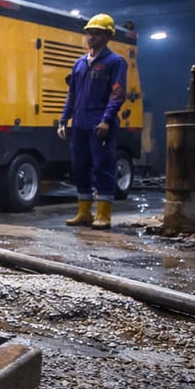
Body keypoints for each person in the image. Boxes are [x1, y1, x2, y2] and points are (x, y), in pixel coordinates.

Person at [58, 13, 128, 230]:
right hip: (79, 124)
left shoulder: (115, 62)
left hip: (100, 124)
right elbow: (72, 94)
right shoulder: (79, 64)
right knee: (80, 167)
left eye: (97, 34)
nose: (91, 37)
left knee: (103, 166)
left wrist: (107, 120)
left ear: (108, 36)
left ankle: (104, 215)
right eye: (89, 33)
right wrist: (63, 120)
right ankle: (84, 212)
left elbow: (117, 94)